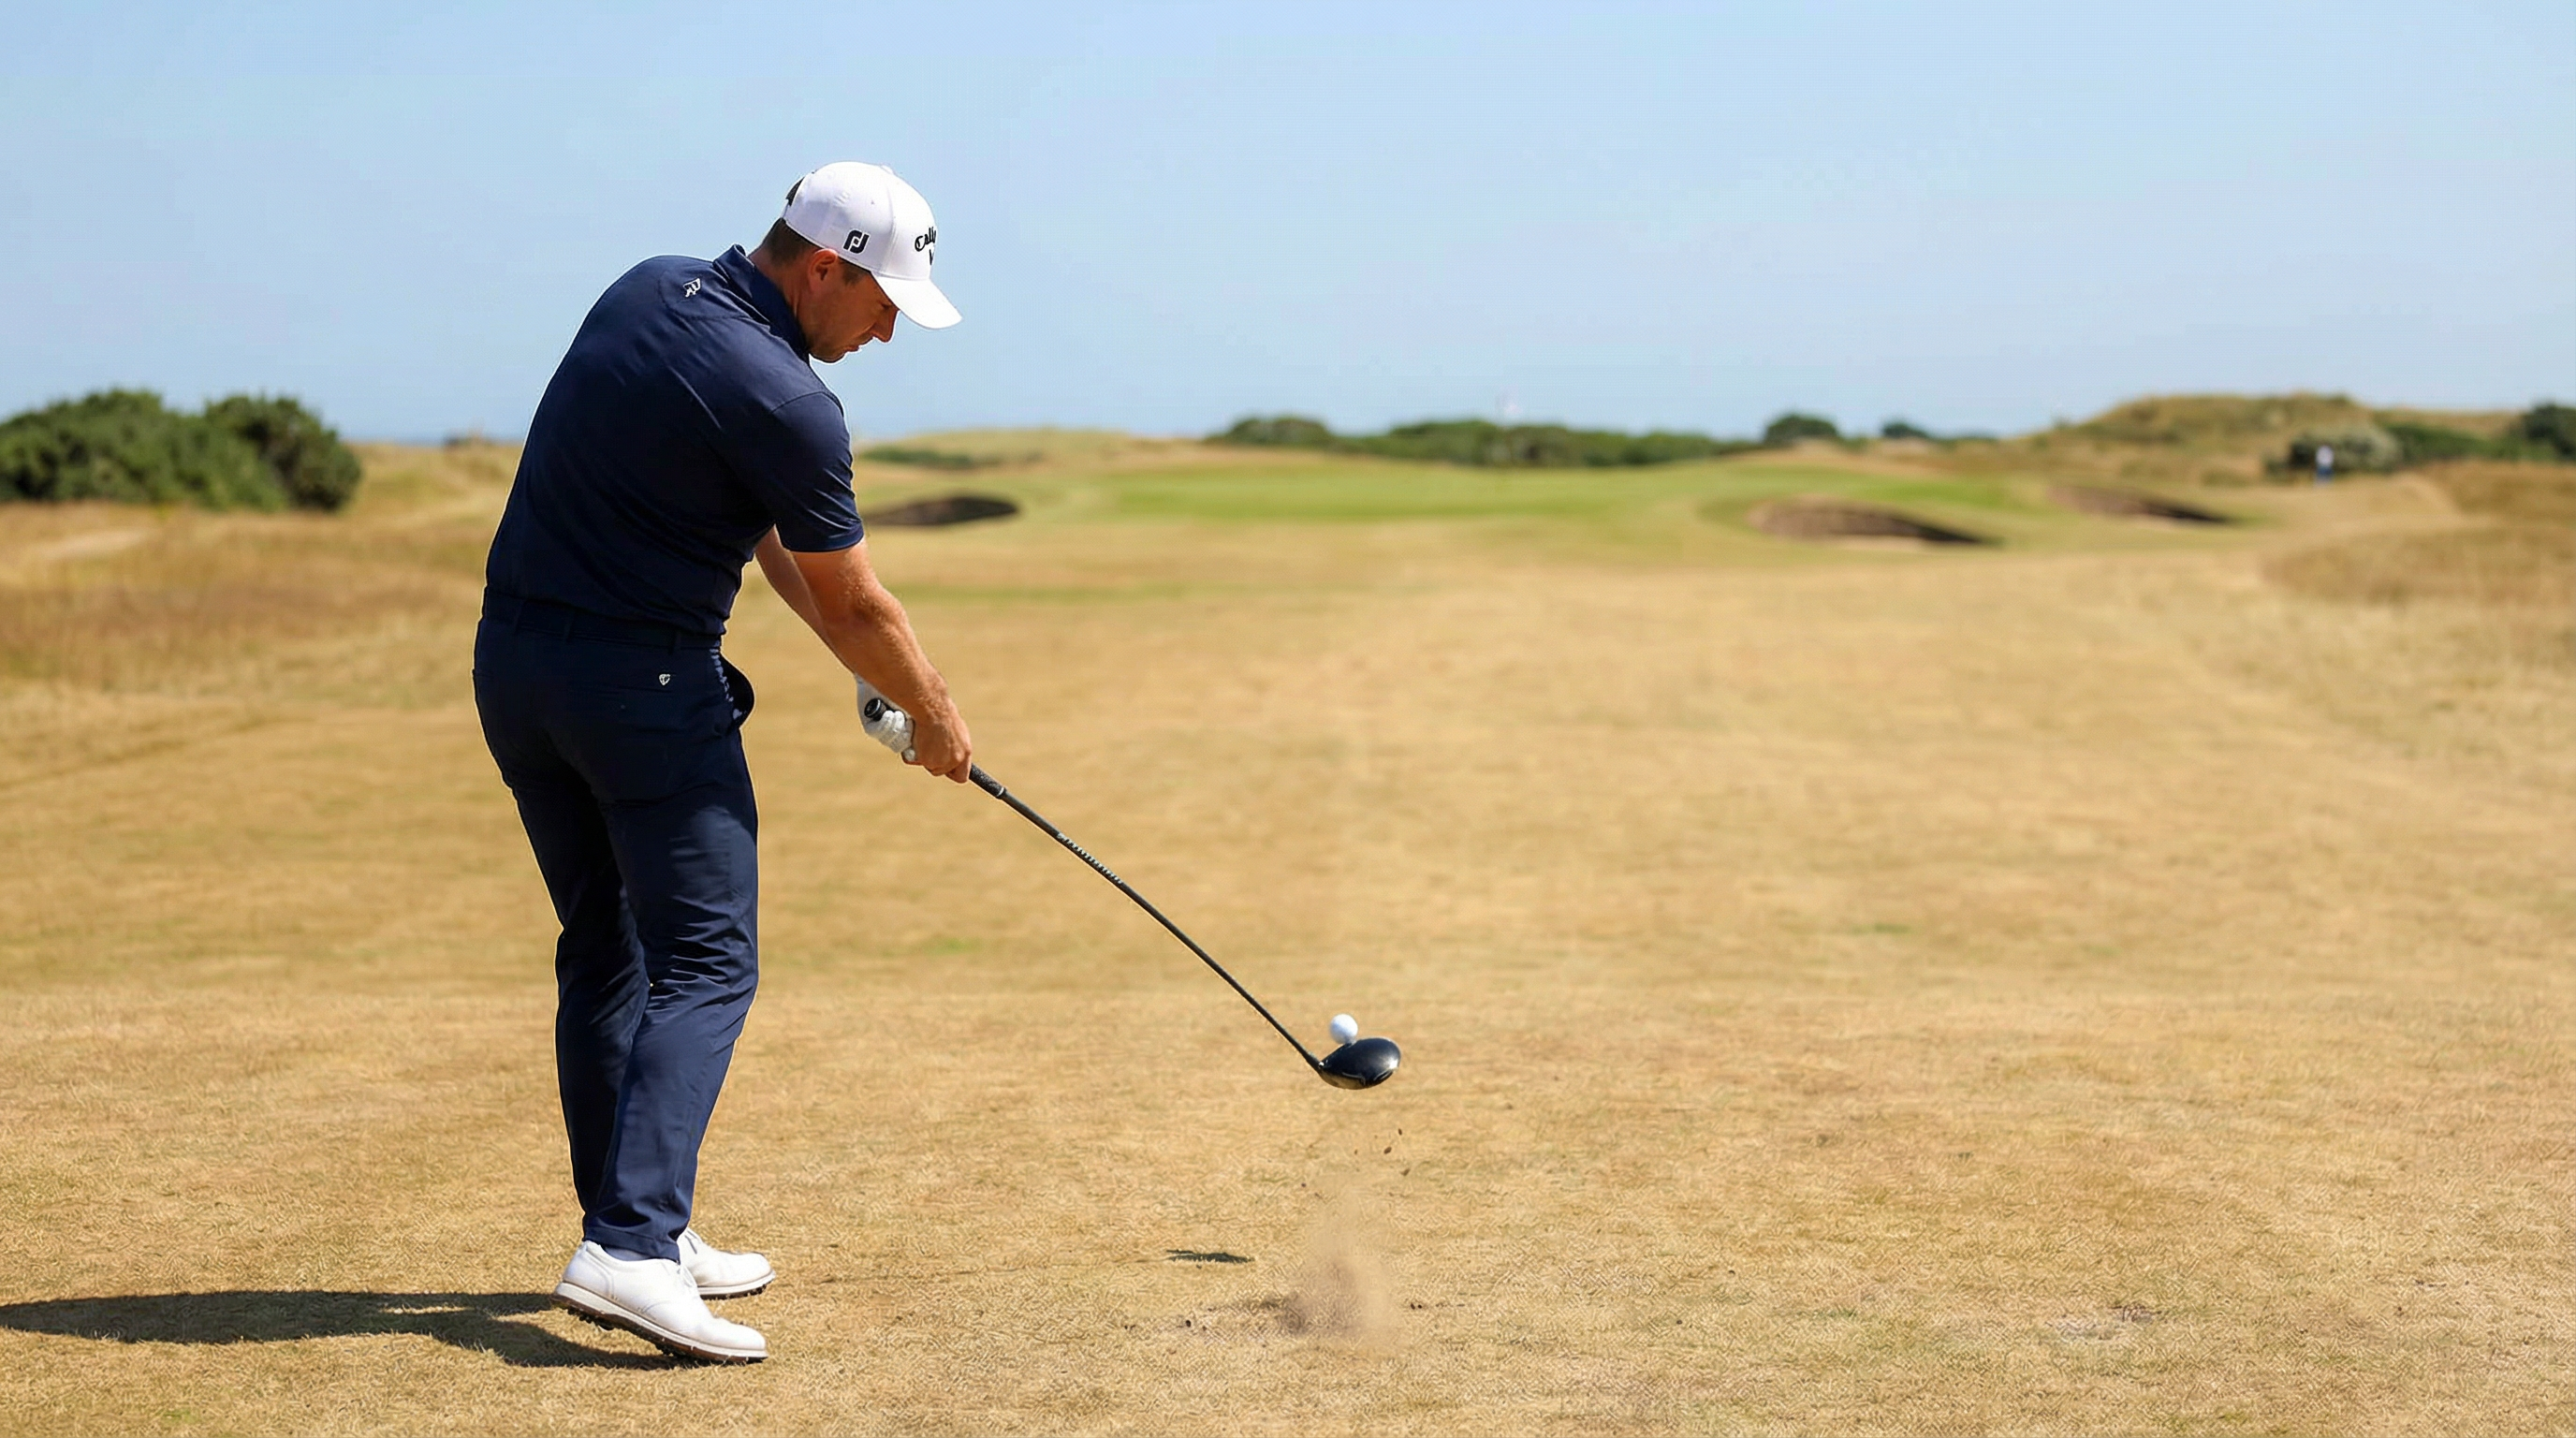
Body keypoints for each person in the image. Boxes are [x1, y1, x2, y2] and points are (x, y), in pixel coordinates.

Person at [472, 162, 973, 1363]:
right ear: (824, 269)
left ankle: (636, 1221)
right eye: (884, 299)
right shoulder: (792, 402)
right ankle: (633, 1249)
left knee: (609, 952)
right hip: (642, 694)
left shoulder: (648, 293)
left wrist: (863, 673)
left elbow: (756, 529)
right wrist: (937, 717)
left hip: (518, 671)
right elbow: (860, 599)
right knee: (707, 960)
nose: (890, 326)